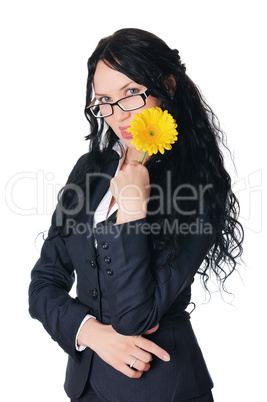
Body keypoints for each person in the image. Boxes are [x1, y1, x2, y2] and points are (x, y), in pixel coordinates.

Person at [28, 28, 244, 402]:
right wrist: (91, 333)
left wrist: (131, 207)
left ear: (168, 86)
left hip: (162, 388)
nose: (117, 114)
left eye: (131, 93)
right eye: (104, 100)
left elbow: (135, 317)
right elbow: (44, 282)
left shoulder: (198, 185)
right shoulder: (89, 170)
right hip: (85, 388)